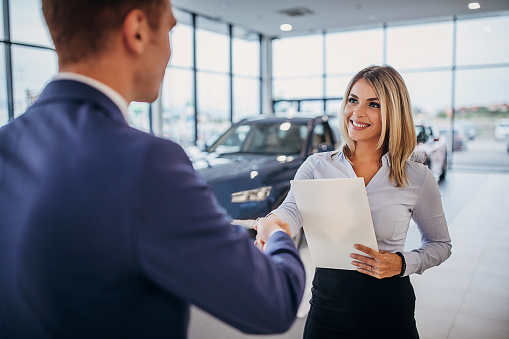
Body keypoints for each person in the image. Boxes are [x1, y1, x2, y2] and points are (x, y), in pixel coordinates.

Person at [0, 1, 306, 338]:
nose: (170, 52)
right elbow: (275, 303)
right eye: (170, 29)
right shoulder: (145, 161)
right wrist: (277, 231)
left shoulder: (7, 142)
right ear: (138, 30)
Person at [255, 65, 452, 339]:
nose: (357, 113)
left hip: (390, 312)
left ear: (393, 112)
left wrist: (402, 262)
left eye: (373, 104)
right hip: (328, 310)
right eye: (352, 100)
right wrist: (274, 222)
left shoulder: (417, 177)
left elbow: (441, 245)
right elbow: (291, 209)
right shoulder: (317, 166)